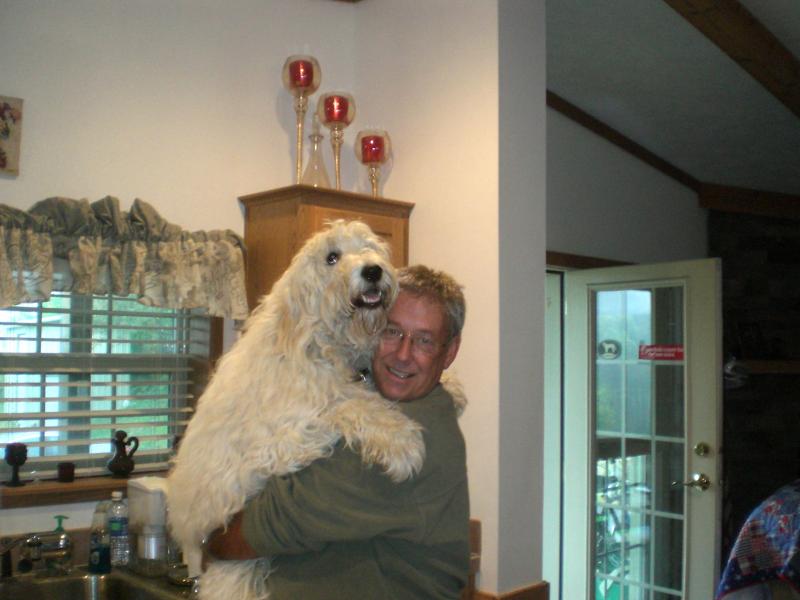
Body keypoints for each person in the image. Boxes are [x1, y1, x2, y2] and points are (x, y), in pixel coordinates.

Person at [205, 265, 469, 599]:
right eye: (391, 331)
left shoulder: (402, 445)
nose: (403, 354)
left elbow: (262, 529)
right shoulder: (384, 397)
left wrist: (208, 539)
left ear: (450, 352)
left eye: (424, 341)